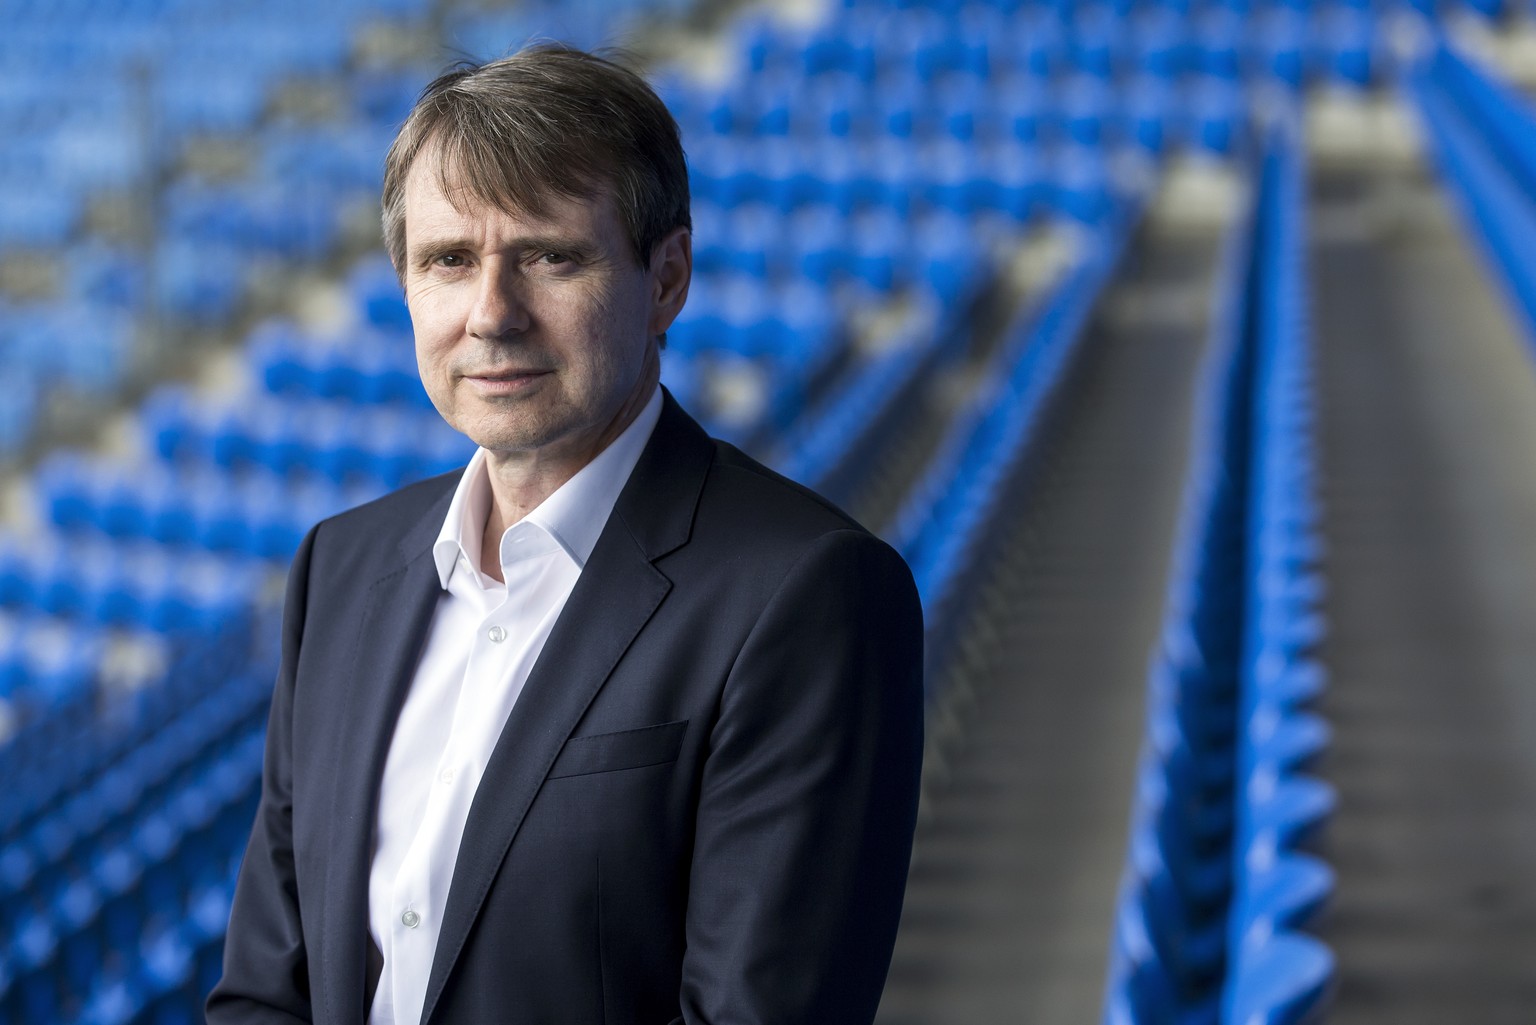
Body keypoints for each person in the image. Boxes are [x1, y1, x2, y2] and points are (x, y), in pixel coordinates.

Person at [207, 43, 924, 1025]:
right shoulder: (341, 566)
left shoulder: (810, 595)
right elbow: (262, 992)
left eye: (549, 256)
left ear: (666, 277)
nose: (491, 315)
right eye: (449, 260)